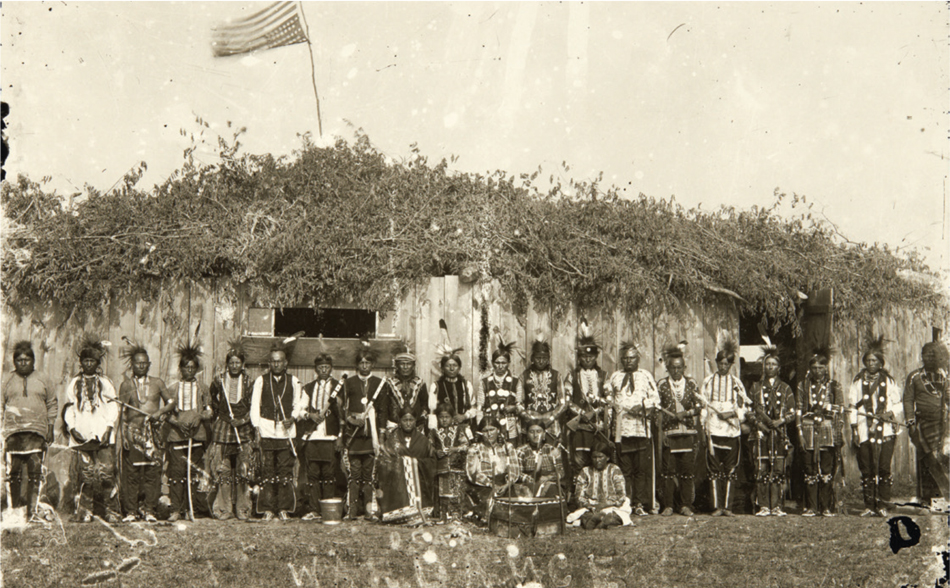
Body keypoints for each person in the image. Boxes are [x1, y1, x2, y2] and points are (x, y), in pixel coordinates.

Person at [62, 334, 121, 522]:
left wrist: (109, 428)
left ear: (98, 363)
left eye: (92, 361)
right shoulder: (74, 384)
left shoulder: (105, 383)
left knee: (106, 474)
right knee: (84, 476)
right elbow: (69, 408)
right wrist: (72, 429)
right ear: (81, 363)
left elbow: (113, 407)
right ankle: (84, 512)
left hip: (102, 434)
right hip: (82, 435)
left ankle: (111, 512)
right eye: (85, 361)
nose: (88, 364)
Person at [848, 337, 903, 517]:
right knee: (867, 468)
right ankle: (869, 505)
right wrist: (854, 430)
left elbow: (899, 404)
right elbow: (852, 408)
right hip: (864, 430)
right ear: (864, 362)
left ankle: (883, 505)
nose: (871, 363)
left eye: (875, 361)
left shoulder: (889, 381)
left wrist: (889, 414)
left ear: (880, 363)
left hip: (886, 430)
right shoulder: (857, 382)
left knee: (884, 468)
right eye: (868, 360)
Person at [117, 344, 171, 523]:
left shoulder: (158, 383)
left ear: (149, 364)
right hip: (133, 433)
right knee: (131, 472)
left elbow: (171, 403)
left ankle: (150, 510)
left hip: (153, 433)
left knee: (152, 472)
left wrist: (159, 413)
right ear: (131, 365)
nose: (141, 366)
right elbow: (122, 413)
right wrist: (124, 436)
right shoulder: (126, 385)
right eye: (137, 363)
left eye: (144, 363)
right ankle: (131, 511)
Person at [2, 341, 56, 520]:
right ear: (14, 362)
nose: (23, 363)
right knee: (13, 474)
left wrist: (50, 427)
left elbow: (51, 403)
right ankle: (15, 512)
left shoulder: (43, 379)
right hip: (13, 433)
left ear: (33, 361)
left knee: (35, 473)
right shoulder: (6, 380)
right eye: (19, 360)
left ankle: (32, 512)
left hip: (36, 433)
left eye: (27, 359)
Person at [605, 341, 660, 516]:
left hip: (641, 430)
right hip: (622, 431)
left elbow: (656, 399)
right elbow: (607, 396)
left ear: (638, 359)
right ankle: (625, 502)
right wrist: (612, 404)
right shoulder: (614, 377)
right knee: (624, 469)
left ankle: (639, 503)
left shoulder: (646, 376)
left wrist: (643, 407)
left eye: (632, 358)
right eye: (625, 359)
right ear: (621, 360)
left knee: (640, 469)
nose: (629, 362)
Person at [250, 344, 301, 521]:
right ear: (269, 363)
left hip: (286, 432)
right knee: (267, 470)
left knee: (284, 470)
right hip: (266, 429)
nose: (276, 364)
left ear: (285, 363)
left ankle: (284, 508)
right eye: (273, 361)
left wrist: (292, 417)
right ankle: (268, 509)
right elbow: (255, 406)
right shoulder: (261, 381)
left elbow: (298, 404)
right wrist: (256, 427)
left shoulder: (293, 381)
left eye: (279, 361)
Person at [163, 341, 213, 522]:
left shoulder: (203, 389)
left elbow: (210, 411)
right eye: (186, 367)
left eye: (193, 367)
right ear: (181, 368)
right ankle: (176, 509)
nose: (189, 370)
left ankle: (191, 509)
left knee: (193, 473)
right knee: (177, 473)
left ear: (197, 369)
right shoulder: (173, 389)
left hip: (197, 436)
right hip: (177, 436)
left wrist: (200, 417)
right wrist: (177, 423)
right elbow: (166, 414)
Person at [699, 337, 749, 517]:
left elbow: (744, 407)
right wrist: (705, 429)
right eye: (720, 363)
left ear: (731, 365)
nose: (723, 367)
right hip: (713, 429)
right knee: (713, 470)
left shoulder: (737, 384)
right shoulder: (708, 382)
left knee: (730, 469)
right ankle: (716, 507)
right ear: (716, 363)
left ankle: (728, 507)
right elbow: (703, 408)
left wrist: (732, 414)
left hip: (731, 431)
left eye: (726, 364)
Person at [208, 341, 255, 521]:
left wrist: (242, 420)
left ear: (242, 364)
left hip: (242, 428)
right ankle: (223, 509)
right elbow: (213, 398)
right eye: (231, 362)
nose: (234, 366)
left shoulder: (249, 381)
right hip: (224, 427)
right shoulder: (219, 379)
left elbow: (253, 405)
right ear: (227, 364)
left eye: (238, 362)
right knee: (224, 470)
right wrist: (223, 416)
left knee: (243, 469)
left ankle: (243, 509)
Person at [341, 343, 388, 520]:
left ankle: (370, 512)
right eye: (361, 362)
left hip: (371, 436)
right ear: (357, 365)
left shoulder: (379, 383)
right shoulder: (349, 383)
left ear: (372, 365)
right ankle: (351, 511)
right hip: (354, 436)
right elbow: (342, 409)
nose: (365, 365)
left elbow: (383, 410)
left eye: (368, 362)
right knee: (354, 474)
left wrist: (381, 435)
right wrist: (352, 420)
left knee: (369, 475)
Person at [796, 347, 845, 517]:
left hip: (827, 429)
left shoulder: (834, 386)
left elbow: (840, 408)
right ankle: (811, 507)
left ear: (826, 368)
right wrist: (799, 432)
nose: (817, 371)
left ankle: (826, 506)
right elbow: (799, 409)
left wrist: (828, 408)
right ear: (810, 369)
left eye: (821, 368)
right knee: (809, 467)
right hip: (808, 428)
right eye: (814, 368)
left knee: (826, 467)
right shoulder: (803, 385)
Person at [294, 353, 343, 521]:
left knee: (329, 474)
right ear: (315, 369)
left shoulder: (339, 387)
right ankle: (314, 509)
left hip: (330, 437)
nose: (324, 370)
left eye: (327, 367)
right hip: (312, 437)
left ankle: (328, 509)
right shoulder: (308, 388)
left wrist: (340, 436)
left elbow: (343, 416)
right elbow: (299, 411)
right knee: (313, 474)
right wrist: (310, 416)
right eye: (320, 367)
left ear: (331, 369)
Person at [750, 345, 796, 517]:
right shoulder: (755, 388)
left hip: (779, 434)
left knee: (778, 468)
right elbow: (748, 410)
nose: (770, 367)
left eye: (773, 364)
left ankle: (776, 506)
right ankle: (763, 506)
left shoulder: (785, 388)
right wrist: (759, 424)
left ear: (779, 368)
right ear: (764, 367)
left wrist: (781, 421)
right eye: (767, 364)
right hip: (761, 435)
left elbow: (793, 412)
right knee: (761, 468)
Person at [656, 344, 701, 517]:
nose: (676, 371)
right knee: (668, 472)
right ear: (667, 368)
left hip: (688, 434)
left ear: (684, 367)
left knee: (687, 472)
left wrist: (686, 413)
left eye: (679, 367)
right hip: (669, 435)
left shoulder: (691, 384)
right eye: (672, 368)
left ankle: (685, 505)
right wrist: (662, 433)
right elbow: (657, 409)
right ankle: (668, 505)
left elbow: (699, 407)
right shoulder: (661, 385)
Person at [903, 341, 949, 507]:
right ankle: (926, 498)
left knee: (943, 461)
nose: (930, 358)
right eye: (926, 355)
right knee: (925, 462)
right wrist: (910, 422)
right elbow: (908, 400)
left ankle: (943, 499)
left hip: (942, 426)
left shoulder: (945, 376)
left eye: (933, 355)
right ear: (921, 357)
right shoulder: (914, 376)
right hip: (922, 426)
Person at [376, 408, 436, 524]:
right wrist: (400, 464)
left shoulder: (423, 440)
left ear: (415, 421)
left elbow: (432, 461)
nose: (408, 423)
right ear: (400, 421)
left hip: (420, 486)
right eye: (405, 420)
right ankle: (397, 513)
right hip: (397, 488)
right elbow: (384, 461)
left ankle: (418, 511)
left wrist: (414, 463)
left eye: (411, 420)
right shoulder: (392, 439)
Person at [564, 323, 609, 474]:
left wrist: (595, 412)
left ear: (596, 356)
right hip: (579, 428)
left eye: (591, 356)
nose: (587, 359)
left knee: (597, 460)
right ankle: (579, 494)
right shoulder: (572, 376)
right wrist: (582, 414)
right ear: (579, 357)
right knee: (578, 462)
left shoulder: (603, 376)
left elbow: (608, 400)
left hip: (597, 427)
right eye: (584, 356)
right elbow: (567, 401)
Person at [464, 418, 521, 525]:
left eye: (492, 430)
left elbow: (513, 468)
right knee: (489, 504)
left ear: (498, 430)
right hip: (483, 486)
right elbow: (473, 473)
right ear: (480, 433)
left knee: (514, 505)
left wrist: (508, 483)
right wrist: (491, 484)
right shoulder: (475, 449)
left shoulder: (507, 447)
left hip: (505, 484)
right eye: (485, 431)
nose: (489, 434)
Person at [567, 442, 631, 529]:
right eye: (594, 457)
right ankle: (598, 520)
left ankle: (606, 520)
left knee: (621, 510)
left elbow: (621, 495)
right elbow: (578, 496)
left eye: (600, 457)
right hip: (591, 507)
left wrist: (605, 504)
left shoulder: (614, 470)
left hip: (611, 506)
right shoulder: (585, 471)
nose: (597, 460)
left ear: (607, 457)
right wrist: (590, 505)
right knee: (583, 513)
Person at [520, 338, 565, 445]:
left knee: (551, 455)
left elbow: (563, 403)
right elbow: (519, 403)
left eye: (544, 358)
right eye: (538, 358)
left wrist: (552, 417)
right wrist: (530, 419)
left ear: (548, 359)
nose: (541, 361)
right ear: (532, 358)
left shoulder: (557, 376)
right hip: (531, 424)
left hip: (551, 424)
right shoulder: (524, 376)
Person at [430, 403, 472, 521]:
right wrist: (436, 451)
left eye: (447, 417)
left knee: (456, 490)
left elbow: (466, 445)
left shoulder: (458, 430)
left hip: (456, 466)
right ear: (438, 418)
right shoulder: (434, 431)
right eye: (441, 417)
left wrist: (456, 449)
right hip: (441, 467)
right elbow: (429, 447)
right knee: (442, 491)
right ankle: (443, 515)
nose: (444, 420)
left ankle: (457, 514)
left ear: (452, 418)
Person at [477, 337, 521, 444]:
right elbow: (479, 407)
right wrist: (480, 426)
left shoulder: (516, 381)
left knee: (510, 451)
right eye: (497, 362)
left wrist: (514, 407)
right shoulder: (484, 382)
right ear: (492, 363)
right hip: (490, 424)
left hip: (509, 424)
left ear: (508, 363)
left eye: (504, 363)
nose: (500, 366)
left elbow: (520, 405)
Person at [516, 422, 566, 498]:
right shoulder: (520, 451)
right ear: (527, 434)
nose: (535, 435)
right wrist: (530, 480)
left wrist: (548, 478)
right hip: (528, 486)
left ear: (544, 434)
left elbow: (560, 472)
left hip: (549, 484)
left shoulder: (552, 450)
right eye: (531, 432)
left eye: (539, 431)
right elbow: (518, 472)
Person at [434, 352, 476, 427]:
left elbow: (473, 408)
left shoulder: (466, 385)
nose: (452, 369)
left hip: (463, 426)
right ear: (442, 368)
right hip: (443, 427)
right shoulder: (436, 386)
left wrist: (464, 416)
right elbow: (432, 411)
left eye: (455, 365)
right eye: (448, 366)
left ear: (459, 367)